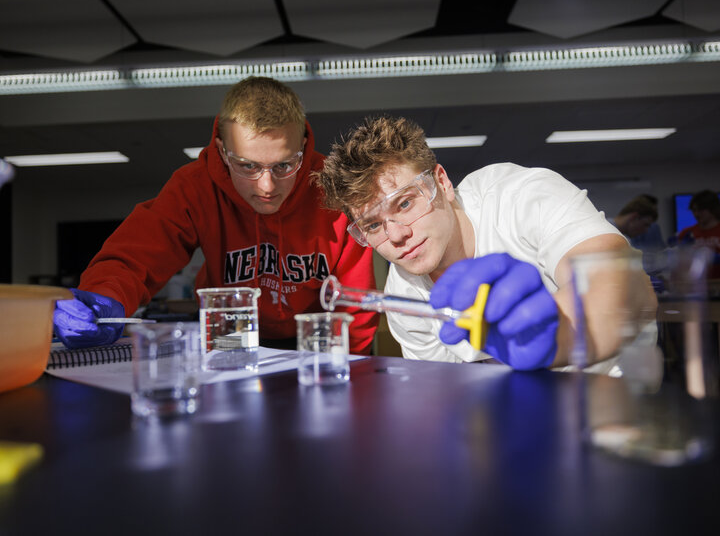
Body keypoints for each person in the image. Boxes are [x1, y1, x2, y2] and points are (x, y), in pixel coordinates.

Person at [53, 77, 379, 353]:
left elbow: (356, 302)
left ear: (304, 146)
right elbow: (135, 255)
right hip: (230, 327)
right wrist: (105, 298)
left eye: (284, 165)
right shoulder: (195, 187)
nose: (267, 186)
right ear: (223, 152)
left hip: (317, 334)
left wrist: (347, 368)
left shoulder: (334, 187)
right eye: (247, 166)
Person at [315, 115, 657, 370]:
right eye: (373, 225)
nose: (397, 236)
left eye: (405, 203)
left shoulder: (521, 197)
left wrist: (556, 336)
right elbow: (446, 399)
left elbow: (628, 286)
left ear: (442, 182)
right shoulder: (404, 295)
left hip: (615, 405)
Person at [676, 189, 720, 279]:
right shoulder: (686, 233)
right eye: (694, 210)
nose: (696, 214)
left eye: (701, 210)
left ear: (713, 209)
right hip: (697, 286)